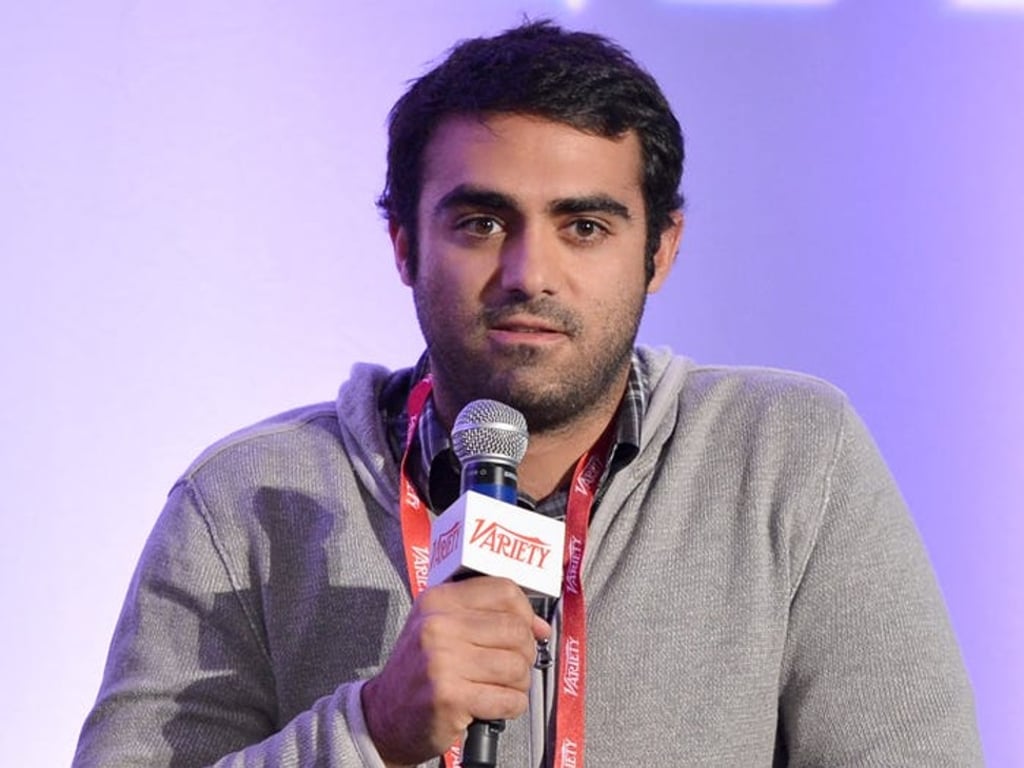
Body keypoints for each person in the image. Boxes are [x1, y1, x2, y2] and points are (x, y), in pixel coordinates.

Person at [73, 20, 982, 768]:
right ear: (403, 243)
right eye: (480, 222)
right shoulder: (245, 499)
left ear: (661, 251)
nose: (527, 272)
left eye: (583, 225)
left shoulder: (788, 456)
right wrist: (368, 732)